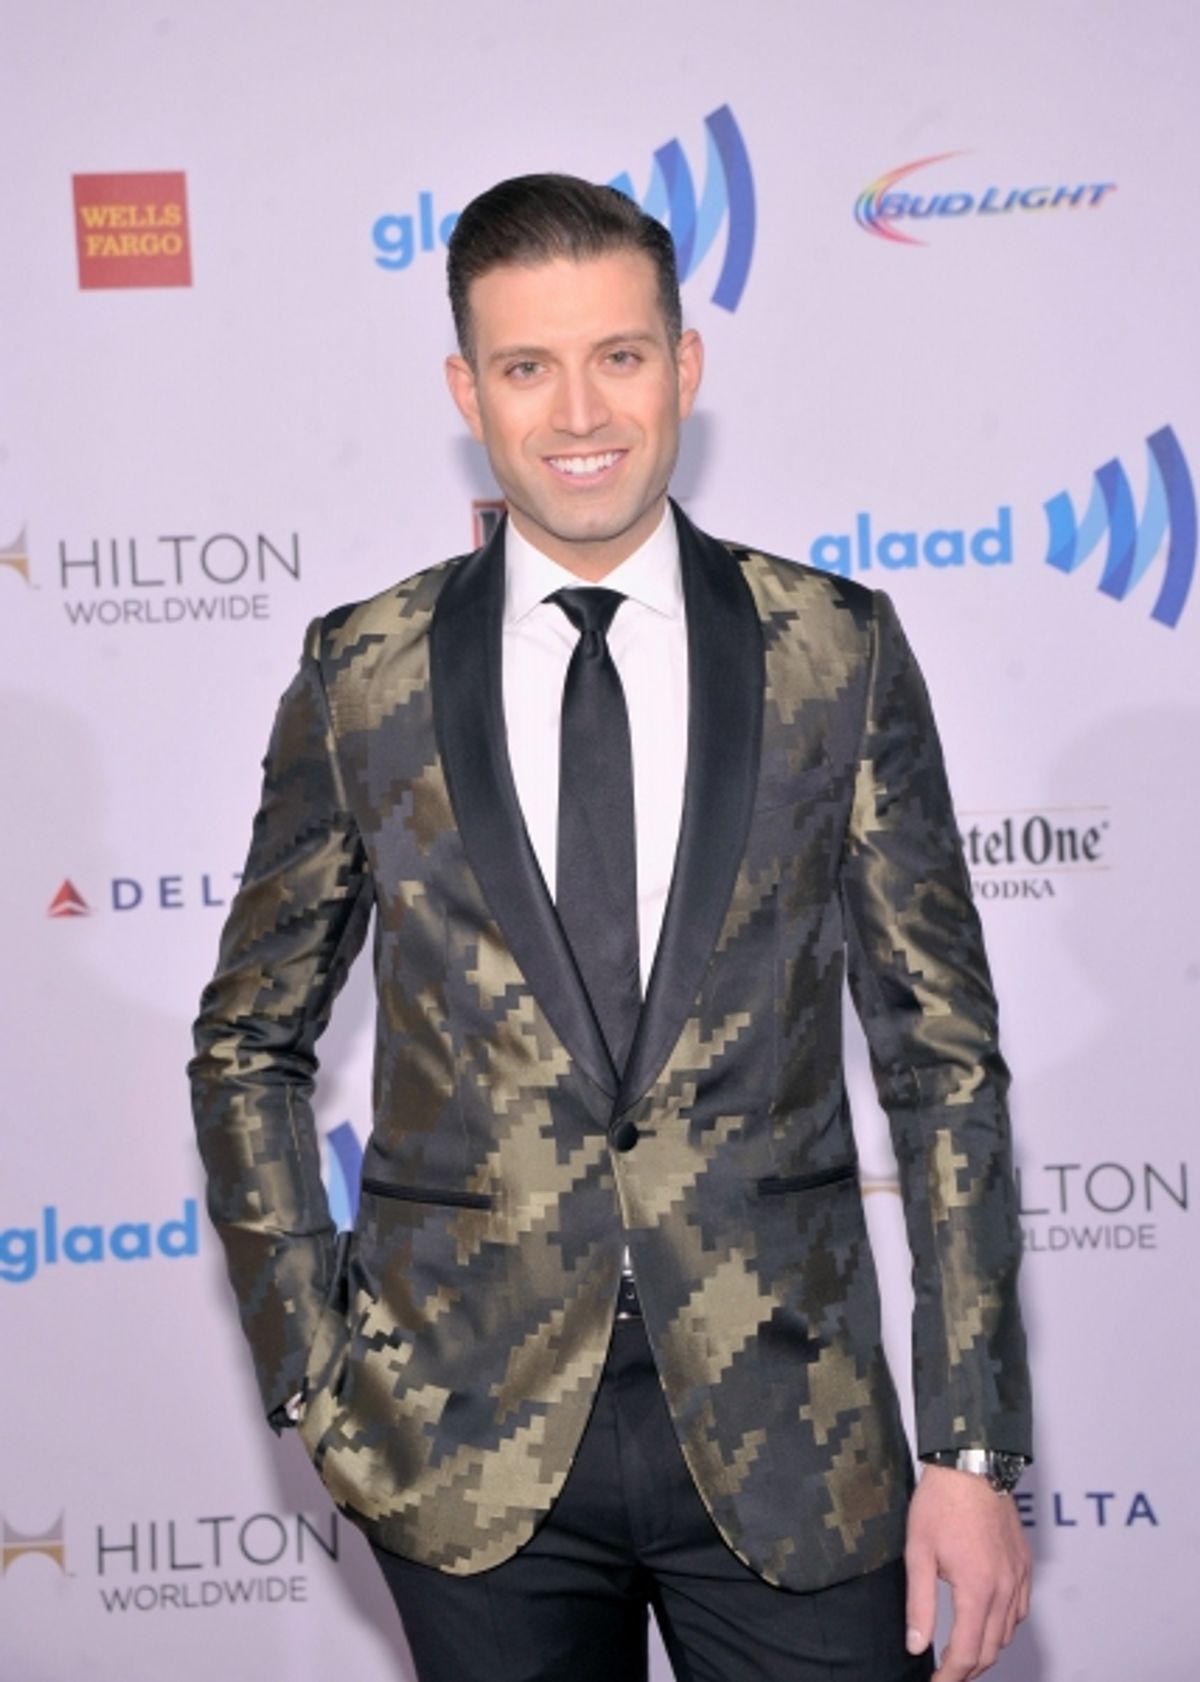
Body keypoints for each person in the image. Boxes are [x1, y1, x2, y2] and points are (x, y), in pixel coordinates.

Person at [190, 173, 1032, 1682]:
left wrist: (971, 1441)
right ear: (469, 390)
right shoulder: (363, 678)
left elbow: (944, 1062)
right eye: (527, 365)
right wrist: (312, 1375)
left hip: (796, 1431)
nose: (578, 408)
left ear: (685, 366)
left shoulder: (833, 651)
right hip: (465, 1445)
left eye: (620, 356)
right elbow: (248, 1039)